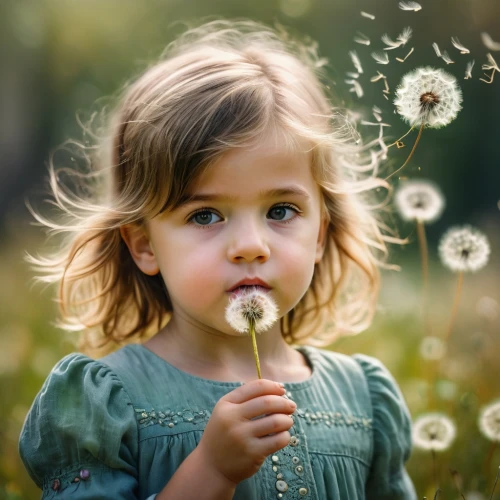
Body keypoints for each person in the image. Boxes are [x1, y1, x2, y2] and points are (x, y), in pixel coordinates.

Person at [18, 19, 417, 499]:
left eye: (280, 210)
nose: (250, 245)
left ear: (320, 235)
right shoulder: (109, 401)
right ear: (143, 245)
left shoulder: (363, 400)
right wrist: (210, 469)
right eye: (206, 215)